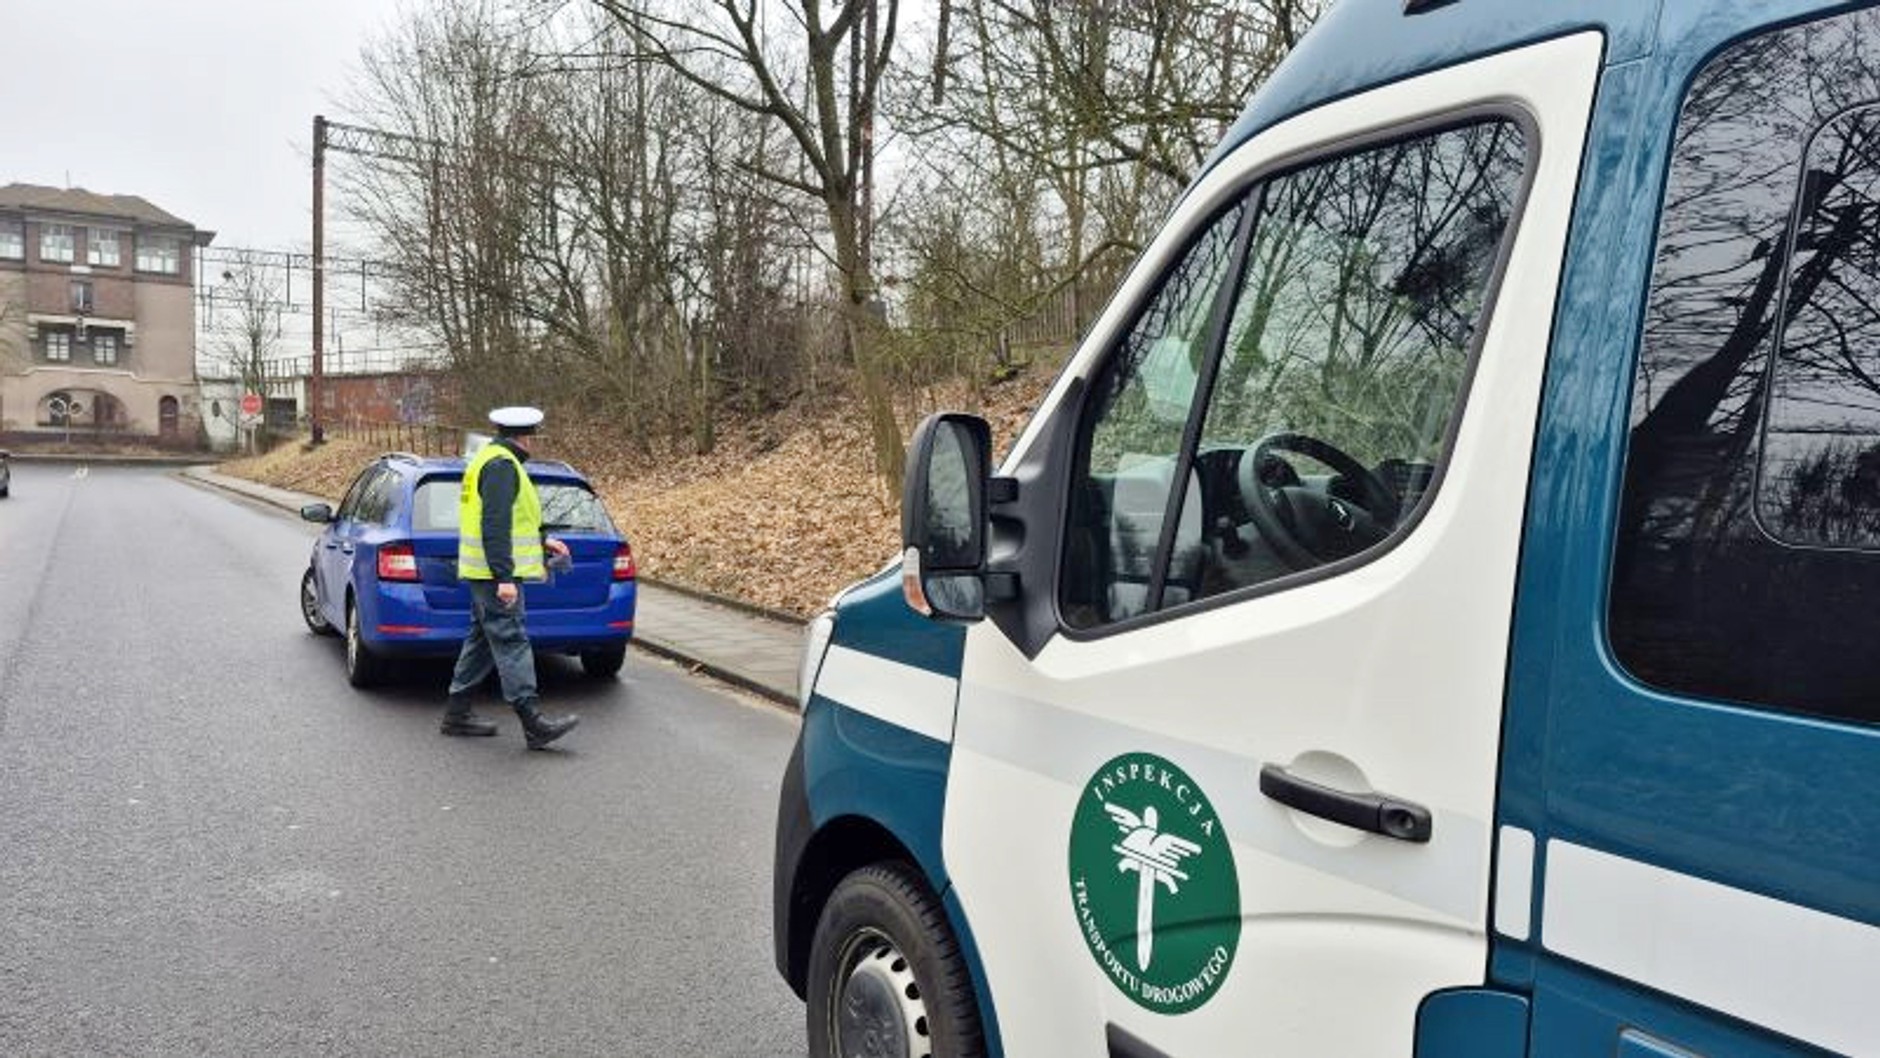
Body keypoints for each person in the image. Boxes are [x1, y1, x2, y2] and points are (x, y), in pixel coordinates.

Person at [441, 406, 580, 749]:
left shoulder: (490, 459)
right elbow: (495, 524)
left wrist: (541, 540)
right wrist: (503, 577)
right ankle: (533, 722)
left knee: (482, 641)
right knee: (511, 639)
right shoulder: (503, 466)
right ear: (526, 436)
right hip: (495, 575)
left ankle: (457, 714)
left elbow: (510, 519)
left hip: (484, 572)